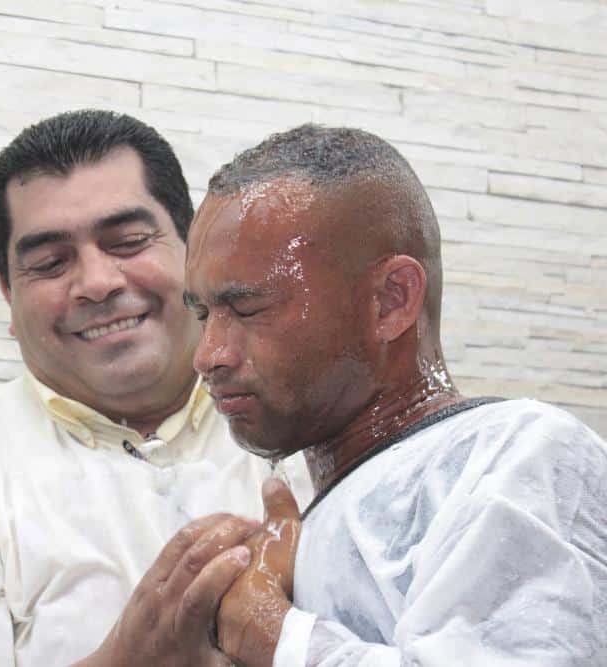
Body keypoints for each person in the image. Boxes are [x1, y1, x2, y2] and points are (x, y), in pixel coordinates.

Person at [0, 110, 310, 665]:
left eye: (130, 241)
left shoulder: (312, 422)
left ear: (194, 252)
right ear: (6, 292)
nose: (97, 283)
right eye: (50, 262)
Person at [178, 123, 607, 666]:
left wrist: (261, 629)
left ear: (391, 301)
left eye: (246, 309)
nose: (207, 354)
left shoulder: (523, 454)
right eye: (201, 314)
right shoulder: (282, 504)